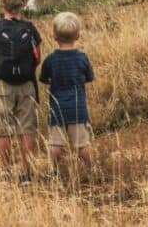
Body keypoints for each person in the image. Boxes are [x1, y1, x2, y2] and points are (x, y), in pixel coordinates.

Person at [0, 0, 42, 182]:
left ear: (1, 2)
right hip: (27, 84)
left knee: (4, 128)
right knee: (27, 127)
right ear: (24, 3)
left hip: (2, 84)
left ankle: (5, 170)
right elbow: (38, 57)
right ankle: (26, 170)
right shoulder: (31, 29)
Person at [39, 12, 94, 176]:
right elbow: (88, 77)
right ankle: (91, 168)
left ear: (53, 36)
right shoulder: (82, 57)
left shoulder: (50, 59)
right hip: (78, 108)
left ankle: (53, 169)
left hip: (57, 107)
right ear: (78, 35)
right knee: (83, 143)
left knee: (56, 144)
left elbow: (44, 79)